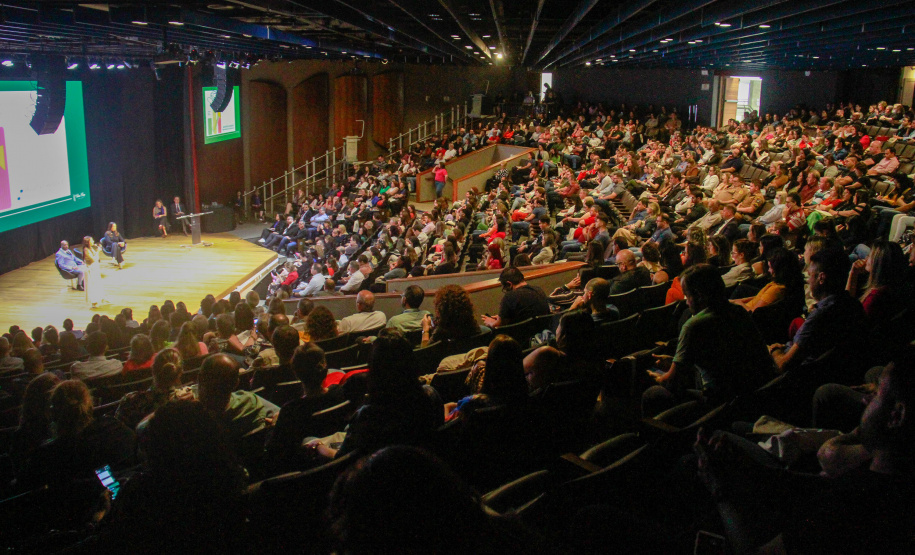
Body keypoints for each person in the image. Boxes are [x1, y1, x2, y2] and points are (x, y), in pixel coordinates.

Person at [643, 264, 773, 417]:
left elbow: (670, 381)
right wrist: (675, 361)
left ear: (698, 295)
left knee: (652, 393)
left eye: (687, 295)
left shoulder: (693, 326)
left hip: (720, 404)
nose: (686, 302)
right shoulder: (739, 312)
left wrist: (653, 376)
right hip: (751, 393)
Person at [265, 343, 346, 474]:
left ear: (296, 372)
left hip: (308, 469)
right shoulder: (340, 393)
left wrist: (274, 425)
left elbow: (274, 451)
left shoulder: (290, 411)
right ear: (325, 368)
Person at [197, 354, 280, 442]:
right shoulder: (251, 401)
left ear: (199, 378)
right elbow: (280, 414)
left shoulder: (195, 420)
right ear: (236, 383)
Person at [115, 348, 194, 431]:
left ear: (152, 369)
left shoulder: (130, 401)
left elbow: (119, 434)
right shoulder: (189, 399)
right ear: (180, 374)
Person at [483, 267, 550, 328]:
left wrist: (491, 322)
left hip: (521, 336)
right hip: (543, 334)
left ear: (509, 284)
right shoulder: (539, 290)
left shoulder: (510, 296)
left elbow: (498, 325)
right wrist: (502, 317)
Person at [81, 235, 105, 307]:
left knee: (97, 284)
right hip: (90, 270)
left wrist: (97, 250)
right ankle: (93, 302)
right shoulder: (86, 250)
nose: (93, 242)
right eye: (91, 241)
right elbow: (93, 259)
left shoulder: (90, 248)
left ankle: (99, 298)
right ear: (87, 242)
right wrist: (98, 251)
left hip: (94, 268)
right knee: (92, 286)